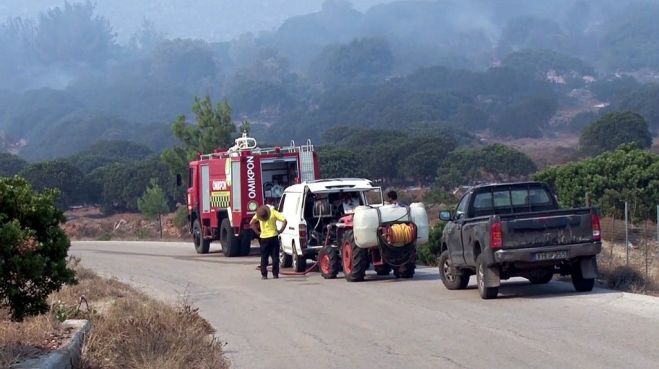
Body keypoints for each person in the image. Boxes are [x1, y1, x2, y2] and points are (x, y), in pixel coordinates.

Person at [250, 205, 287, 279]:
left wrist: (258, 232)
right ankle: (275, 274)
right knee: (275, 256)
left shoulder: (259, 214)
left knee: (264, 257)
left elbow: (251, 223)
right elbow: (284, 221)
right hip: (273, 236)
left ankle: (264, 275)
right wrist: (281, 230)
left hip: (263, 238)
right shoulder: (273, 212)